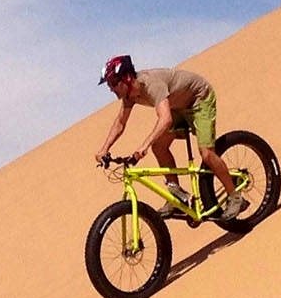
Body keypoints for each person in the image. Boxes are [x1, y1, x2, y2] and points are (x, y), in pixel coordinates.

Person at [93, 54, 248, 222]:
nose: (111, 88)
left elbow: (165, 119)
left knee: (207, 154)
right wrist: (104, 148)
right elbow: (120, 122)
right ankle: (177, 197)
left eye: (113, 83)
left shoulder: (151, 84)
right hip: (178, 106)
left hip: (199, 99)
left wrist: (143, 146)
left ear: (127, 78)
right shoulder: (130, 96)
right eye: (109, 84)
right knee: (159, 147)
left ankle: (235, 197)